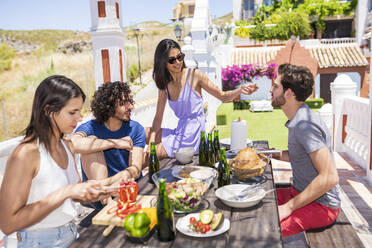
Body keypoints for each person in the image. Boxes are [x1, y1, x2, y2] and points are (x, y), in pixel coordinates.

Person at [0, 75, 113, 247]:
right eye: (72, 112)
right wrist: (66, 191)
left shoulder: (67, 146)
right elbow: (8, 224)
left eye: (79, 111)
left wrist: (99, 190)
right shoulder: (25, 154)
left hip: (72, 234)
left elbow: (71, 196)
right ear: (48, 111)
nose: (79, 118)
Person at [147, 39, 258, 160]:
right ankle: (127, 174)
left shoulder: (195, 75)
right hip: (180, 130)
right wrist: (151, 142)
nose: (178, 62)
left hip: (193, 136)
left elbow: (222, 96)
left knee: (147, 158)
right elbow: (158, 117)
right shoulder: (164, 84)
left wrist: (240, 90)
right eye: (172, 60)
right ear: (162, 62)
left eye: (180, 57)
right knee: (143, 133)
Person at [269, 63, 340, 237]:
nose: (270, 90)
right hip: (300, 193)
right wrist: (271, 155)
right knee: (259, 200)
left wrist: (288, 207)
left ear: (289, 93)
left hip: (322, 206)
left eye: (275, 86)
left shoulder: (304, 125)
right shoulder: (299, 117)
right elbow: (302, 155)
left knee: (267, 229)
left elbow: (330, 177)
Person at [71, 81, 145, 209]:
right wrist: (114, 143)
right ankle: (106, 198)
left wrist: (115, 182)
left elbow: (136, 169)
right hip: (100, 196)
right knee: (91, 142)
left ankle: (106, 193)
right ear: (109, 107)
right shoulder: (90, 128)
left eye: (129, 101)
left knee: (92, 142)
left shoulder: (136, 129)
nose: (130, 107)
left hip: (125, 188)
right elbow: (73, 144)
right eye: (123, 103)